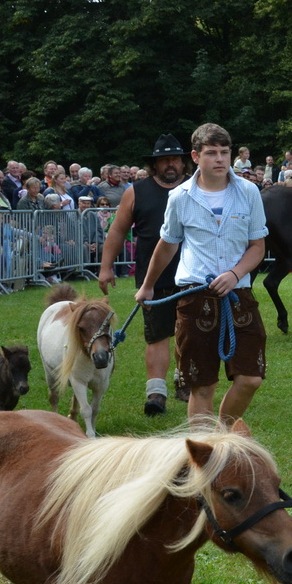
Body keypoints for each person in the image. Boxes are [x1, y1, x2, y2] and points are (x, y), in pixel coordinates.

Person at [134, 124, 268, 425]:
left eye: (224, 152)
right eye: (211, 153)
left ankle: (222, 431)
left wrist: (234, 274)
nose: (219, 159)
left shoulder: (248, 192)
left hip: (238, 295)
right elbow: (167, 245)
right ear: (196, 156)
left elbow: (257, 247)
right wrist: (148, 287)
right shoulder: (180, 197)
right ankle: (205, 456)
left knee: (250, 378)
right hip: (195, 297)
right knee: (202, 384)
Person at [100, 134, 189, 414]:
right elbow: (117, 230)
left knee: (189, 333)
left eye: (175, 159)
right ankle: (156, 393)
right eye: (164, 160)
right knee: (157, 335)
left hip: (194, 274)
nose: (170, 164)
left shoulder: (195, 188)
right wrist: (105, 267)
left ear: (184, 162)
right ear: (154, 164)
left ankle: (184, 378)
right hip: (153, 277)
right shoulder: (136, 191)